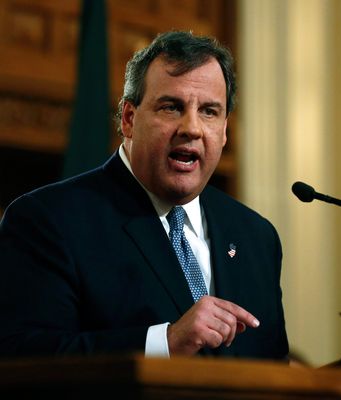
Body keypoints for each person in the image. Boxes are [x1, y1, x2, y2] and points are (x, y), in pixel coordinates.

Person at [0, 31, 288, 360]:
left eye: (209, 111)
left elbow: (274, 367)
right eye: (171, 107)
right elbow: (22, 357)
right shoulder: (48, 220)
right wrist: (164, 343)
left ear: (224, 131)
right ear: (129, 119)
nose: (192, 128)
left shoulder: (257, 237)